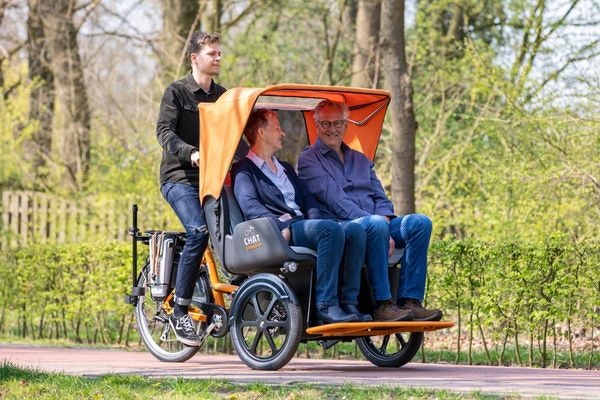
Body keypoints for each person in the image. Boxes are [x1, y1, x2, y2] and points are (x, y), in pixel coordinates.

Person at [297, 99, 443, 321]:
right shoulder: (309, 159)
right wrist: (377, 223)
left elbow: (380, 197)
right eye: (326, 124)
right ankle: (383, 303)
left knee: (419, 223)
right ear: (316, 126)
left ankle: (410, 300)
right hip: (343, 226)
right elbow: (337, 201)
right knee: (374, 224)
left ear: (347, 125)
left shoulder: (361, 159)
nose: (332, 129)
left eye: (338, 123)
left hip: (377, 223)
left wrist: (384, 222)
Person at [231, 109, 372, 323]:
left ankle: (349, 302)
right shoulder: (244, 169)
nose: (283, 133)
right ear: (261, 132)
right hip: (279, 230)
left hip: (303, 225)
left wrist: (314, 220)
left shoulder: (285, 168)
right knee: (330, 230)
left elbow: (308, 199)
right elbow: (250, 205)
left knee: (354, 229)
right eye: (277, 127)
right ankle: (326, 305)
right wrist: (279, 224)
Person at [156, 31, 225, 346]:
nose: (218, 58)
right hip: (179, 178)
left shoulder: (223, 96)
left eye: (219, 53)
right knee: (198, 231)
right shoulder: (178, 92)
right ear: (194, 58)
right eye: (212, 53)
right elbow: (164, 132)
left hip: (214, 178)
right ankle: (180, 308)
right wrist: (191, 153)